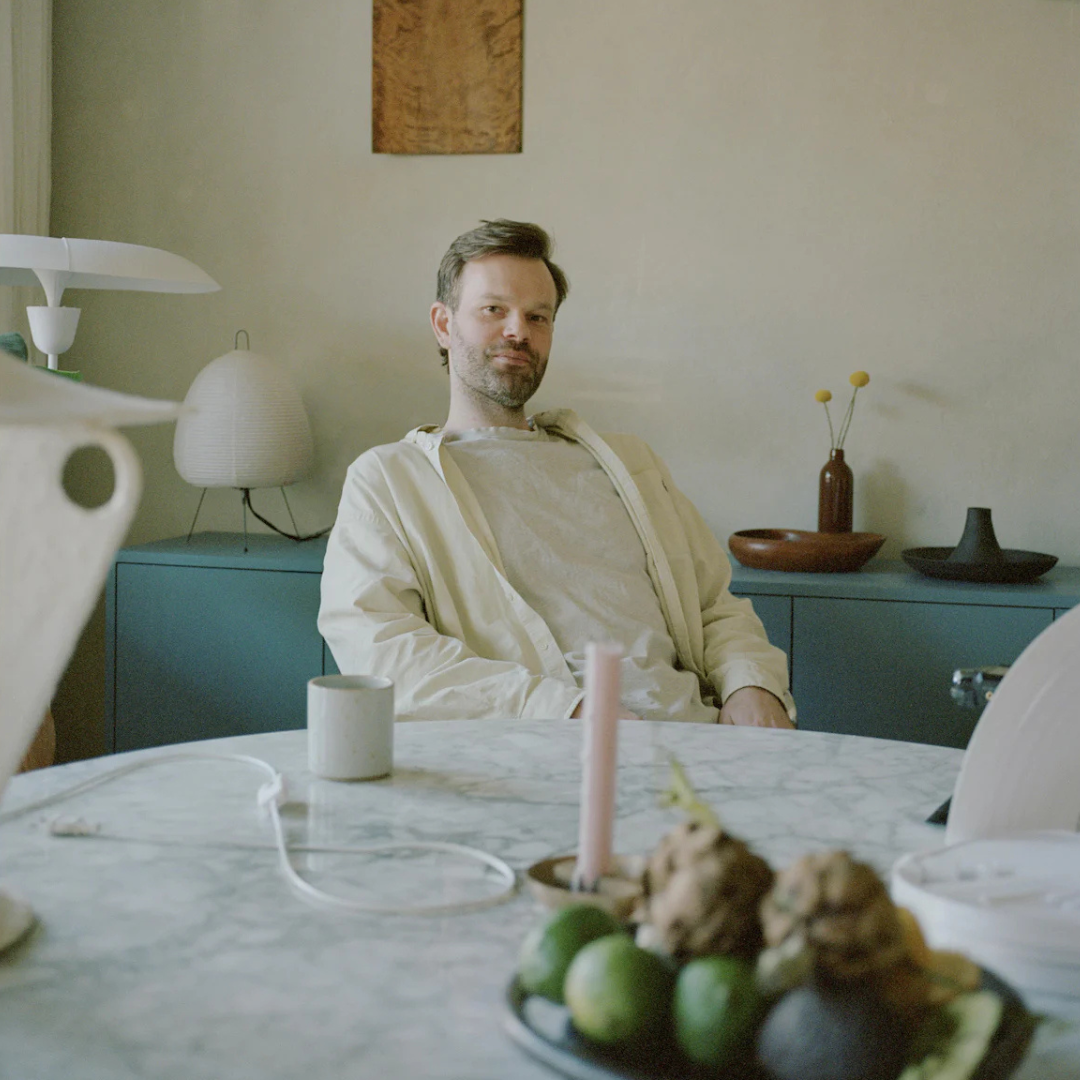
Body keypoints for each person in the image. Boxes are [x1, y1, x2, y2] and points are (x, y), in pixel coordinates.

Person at [319, 220, 795, 728]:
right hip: (542, 749)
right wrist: (569, 711)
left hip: (700, 740)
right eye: (493, 309)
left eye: (538, 316)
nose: (518, 331)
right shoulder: (390, 480)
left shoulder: (630, 464)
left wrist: (752, 684)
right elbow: (383, 649)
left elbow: (713, 606)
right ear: (442, 324)